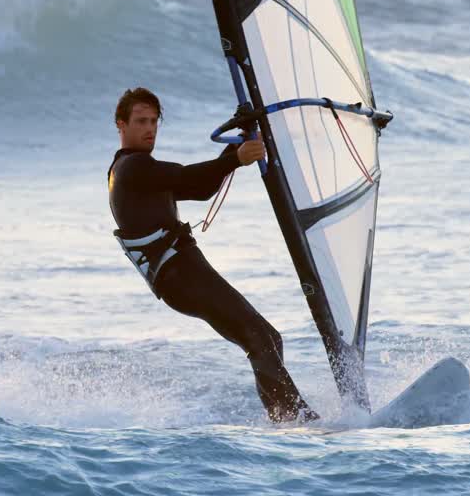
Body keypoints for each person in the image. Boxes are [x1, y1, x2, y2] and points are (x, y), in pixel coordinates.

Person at [107, 86, 318, 423]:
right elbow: (185, 175)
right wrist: (234, 157)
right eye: (140, 121)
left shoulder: (143, 170)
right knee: (258, 337)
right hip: (179, 274)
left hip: (182, 273)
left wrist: (236, 150)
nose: (149, 129)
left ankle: (284, 418)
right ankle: (300, 419)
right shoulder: (132, 169)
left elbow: (200, 188)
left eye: (154, 122)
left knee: (267, 339)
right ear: (121, 125)